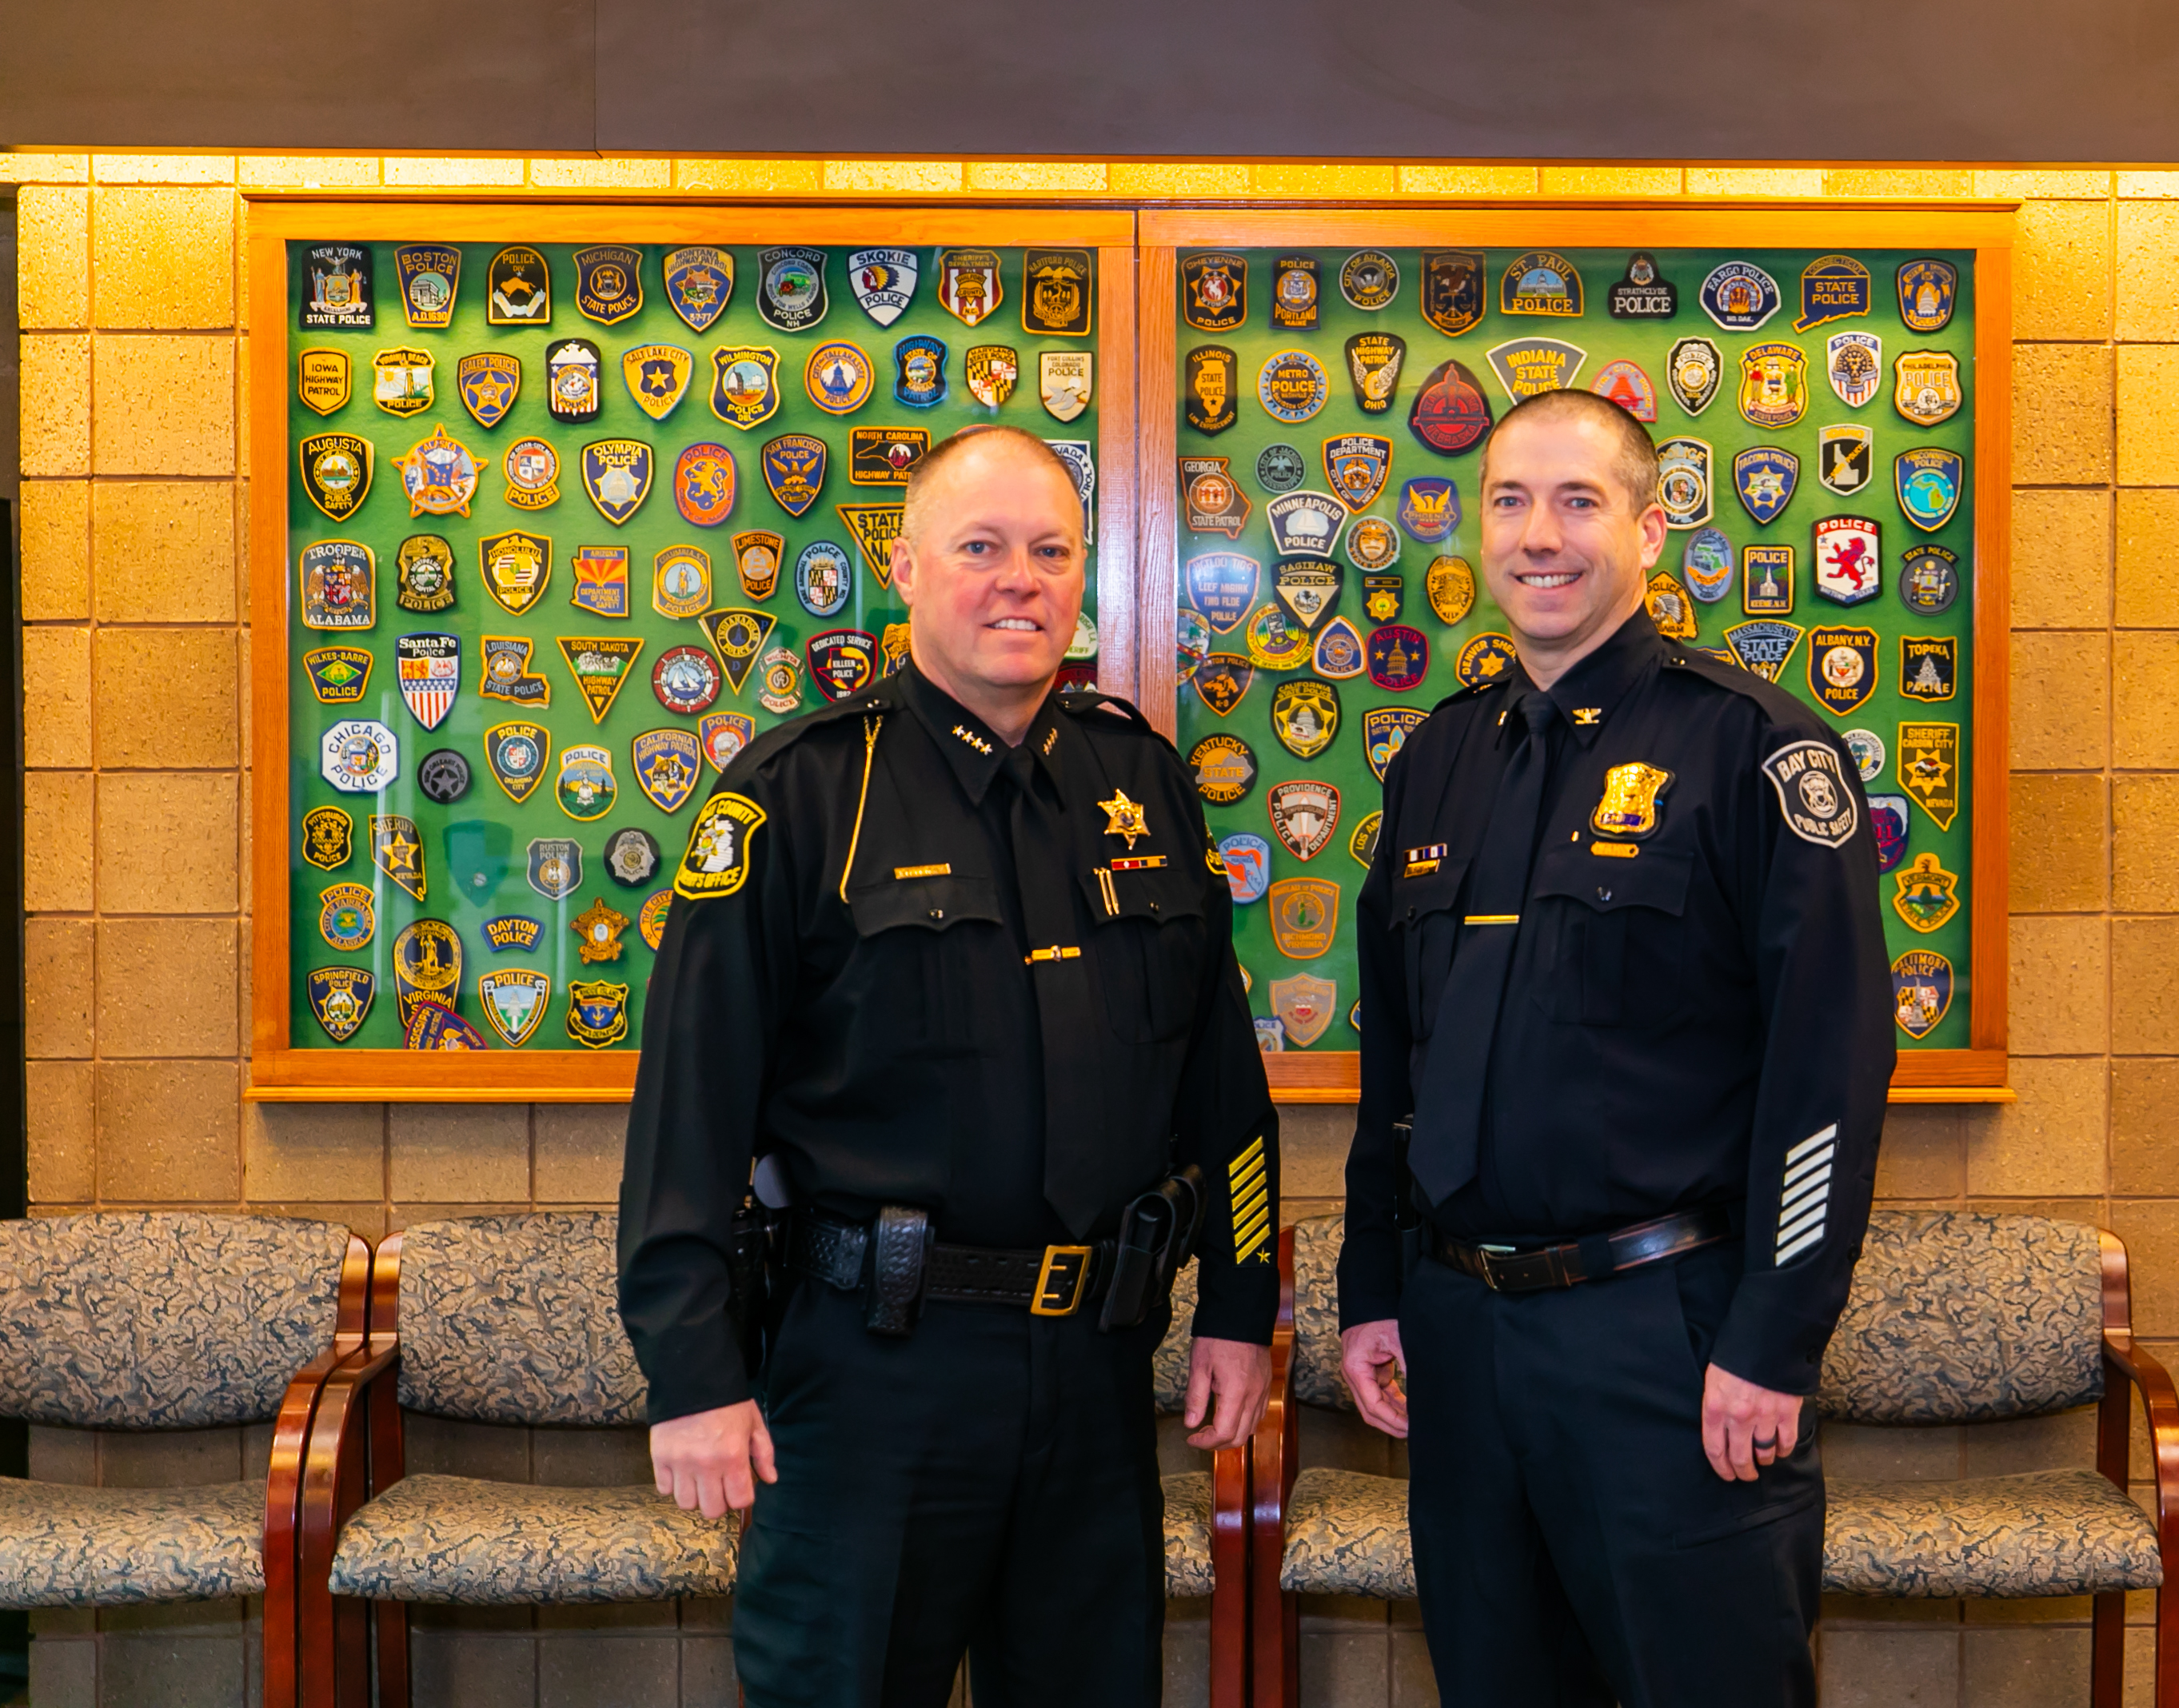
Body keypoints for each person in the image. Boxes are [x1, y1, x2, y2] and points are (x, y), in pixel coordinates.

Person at [618, 424, 1278, 1708]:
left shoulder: (1138, 783)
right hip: (873, 1377)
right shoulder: (802, 795)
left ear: (1083, 575)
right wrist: (691, 1375)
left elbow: (1220, 1082)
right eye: (980, 548)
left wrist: (1242, 1306)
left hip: (1094, 1371)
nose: (1016, 579)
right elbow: (689, 1112)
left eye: (1047, 550)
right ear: (909, 569)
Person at [1336, 388, 1894, 1706]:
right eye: (1512, 501)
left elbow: (1829, 1074)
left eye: (1580, 501)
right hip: (1464, 1338)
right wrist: (1373, 1286)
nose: (1542, 534)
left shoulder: (1753, 749)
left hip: (1667, 1340)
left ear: (1653, 529)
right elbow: (1396, 1068)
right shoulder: (1433, 763)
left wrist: (1774, 1337)